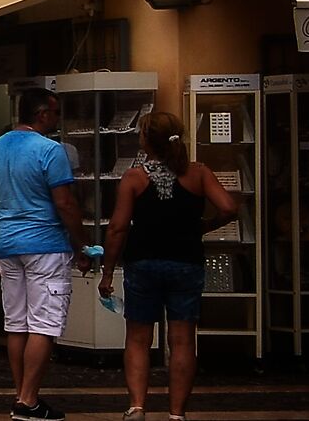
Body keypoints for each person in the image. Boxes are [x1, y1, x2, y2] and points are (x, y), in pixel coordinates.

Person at [98, 110, 238, 421]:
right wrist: (206, 225)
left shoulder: (134, 178)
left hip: (143, 262)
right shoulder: (199, 173)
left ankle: (137, 406)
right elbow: (229, 207)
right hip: (186, 261)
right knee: (183, 340)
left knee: (137, 337)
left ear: (147, 140)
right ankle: (177, 413)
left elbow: (118, 228)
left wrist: (107, 271)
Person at [0, 87, 91, 421]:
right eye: (55, 113)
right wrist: (81, 245)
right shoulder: (50, 150)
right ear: (42, 114)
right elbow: (65, 202)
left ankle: (22, 395)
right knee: (43, 325)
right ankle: (28, 400)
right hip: (45, 245)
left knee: (16, 324)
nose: (57, 119)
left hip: (8, 245)